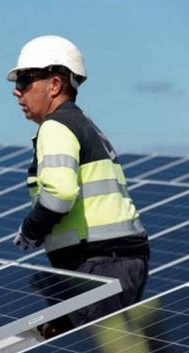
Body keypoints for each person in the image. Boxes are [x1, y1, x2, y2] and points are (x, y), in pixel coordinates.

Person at [9, 35, 150, 332]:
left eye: (24, 80)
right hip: (119, 262)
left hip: (98, 263)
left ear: (55, 85)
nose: (16, 92)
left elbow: (59, 194)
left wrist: (31, 229)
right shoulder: (83, 123)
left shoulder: (56, 126)